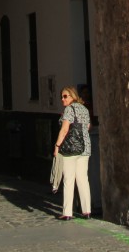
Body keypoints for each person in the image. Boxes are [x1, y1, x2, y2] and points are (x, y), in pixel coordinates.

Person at [53, 86, 91, 220]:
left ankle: (67, 212)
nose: (62, 99)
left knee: (69, 179)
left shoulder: (69, 109)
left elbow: (64, 130)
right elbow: (87, 127)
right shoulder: (85, 109)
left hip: (71, 149)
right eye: (62, 96)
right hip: (85, 148)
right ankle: (86, 211)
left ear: (73, 96)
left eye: (65, 96)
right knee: (83, 179)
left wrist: (57, 145)